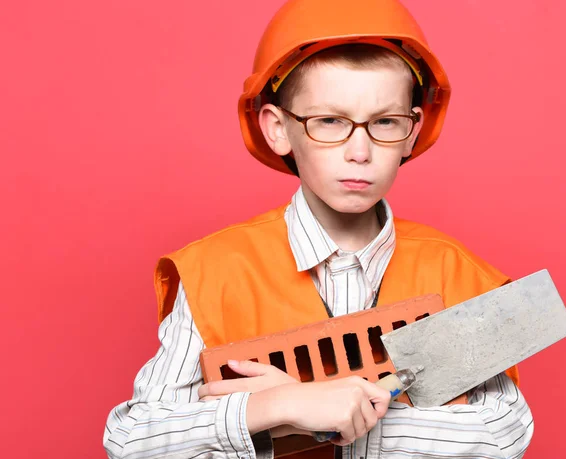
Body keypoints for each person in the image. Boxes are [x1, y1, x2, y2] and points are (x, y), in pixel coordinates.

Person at [104, 0, 534, 458]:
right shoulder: (216, 271)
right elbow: (132, 440)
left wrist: (337, 418)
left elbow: (503, 432)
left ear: (412, 131)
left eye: (385, 122)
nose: (359, 151)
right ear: (277, 129)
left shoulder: (458, 274)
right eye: (329, 121)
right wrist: (278, 405)